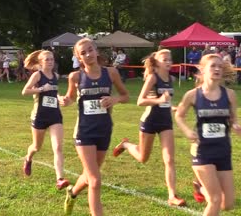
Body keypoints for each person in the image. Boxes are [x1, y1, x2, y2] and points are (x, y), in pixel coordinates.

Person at [61, 38, 129, 216]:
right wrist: (64, 100)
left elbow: (125, 95)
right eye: (83, 53)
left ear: (96, 51)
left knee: (91, 175)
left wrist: (113, 99)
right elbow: (69, 98)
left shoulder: (111, 73)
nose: (88, 54)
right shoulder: (76, 76)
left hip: (104, 130)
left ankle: (72, 192)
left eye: (90, 50)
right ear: (78, 57)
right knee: (95, 180)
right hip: (84, 131)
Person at [112, 49, 186, 207]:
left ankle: (172, 195)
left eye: (169, 59)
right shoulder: (153, 77)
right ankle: (125, 144)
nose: (168, 61)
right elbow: (140, 101)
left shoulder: (171, 79)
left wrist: (172, 107)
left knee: (170, 159)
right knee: (142, 158)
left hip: (166, 122)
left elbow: (164, 101)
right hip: (150, 121)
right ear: (157, 62)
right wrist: (159, 101)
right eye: (164, 59)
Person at [174, 53, 241, 216]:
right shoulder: (193, 95)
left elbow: (233, 118)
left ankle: (200, 187)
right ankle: (205, 189)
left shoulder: (230, 94)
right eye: (213, 66)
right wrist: (187, 130)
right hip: (202, 151)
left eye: (220, 66)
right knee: (215, 200)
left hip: (223, 150)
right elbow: (179, 115)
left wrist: (236, 125)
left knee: (228, 204)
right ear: (203, 70)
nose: (217, 69)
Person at [21, 50, 69, 191]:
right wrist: (42, 88)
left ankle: (60, 179)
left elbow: (54, 93)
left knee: (58, 147)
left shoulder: (55, 76)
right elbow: (25, 91)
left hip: (55, 115)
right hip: (40, 115)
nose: (50, 61)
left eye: (52, 59)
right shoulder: (37, 75)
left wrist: (60, 98)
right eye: (47, 59)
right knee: (37, 147)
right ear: (41, 62)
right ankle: (28, 158)